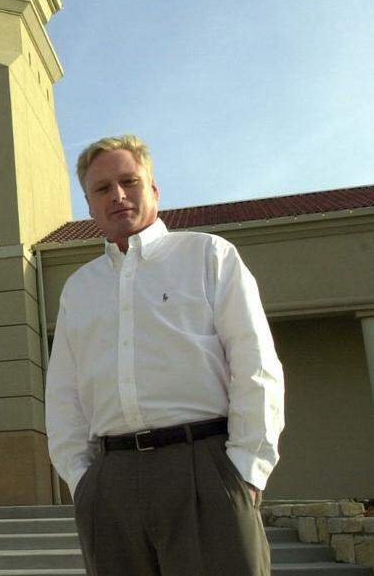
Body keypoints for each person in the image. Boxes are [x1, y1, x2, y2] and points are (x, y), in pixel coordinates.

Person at [45, 134, 284, 576]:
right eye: (102, 189)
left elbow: (256, 366)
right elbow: (63, 394)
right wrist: (84, 482)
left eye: (129, 181)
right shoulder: (79, 289)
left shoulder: (209, 256)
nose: (117, 195)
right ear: (90, 205)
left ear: (153, 189)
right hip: (111, 482)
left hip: (205, 471)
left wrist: (246, 471)